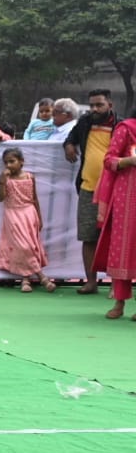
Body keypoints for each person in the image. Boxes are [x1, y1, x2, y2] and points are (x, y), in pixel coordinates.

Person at [64, 89, 118, 295]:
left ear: (109, 105)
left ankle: (116, 286)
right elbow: (71, 137)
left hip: (114, 191)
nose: (94, 109)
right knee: (88, 237)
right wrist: (69, 145)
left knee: (114, 238)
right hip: (87, 188)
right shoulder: (85, 122)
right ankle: (91, 282)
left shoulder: (119, 125)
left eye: (99, 105)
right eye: (92, 105)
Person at [93, 106, 136, 319]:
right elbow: (109, 160)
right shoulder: (126, 128)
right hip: (127, 196)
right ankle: (119, 302)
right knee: (124, 248)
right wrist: (129, 161)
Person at [0, 147, 53, 293]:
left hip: (29, 214)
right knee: (23, 246)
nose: (8, 165)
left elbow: (35, 199)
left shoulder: (29, 177)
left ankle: (25, 280)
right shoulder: (5, 179)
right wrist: (1, 181)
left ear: (21, 162)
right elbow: (0, 198)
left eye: (12, 161)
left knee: (30, 245)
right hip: (13, 214)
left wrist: (39, 217)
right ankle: (42, 277)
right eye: (6, 163)